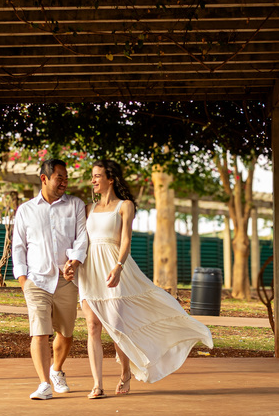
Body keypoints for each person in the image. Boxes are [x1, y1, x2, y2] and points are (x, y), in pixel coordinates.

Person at [78, 159, 213, 398]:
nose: (93, 180)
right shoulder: (88, 209)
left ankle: (125, 373)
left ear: (110, 178)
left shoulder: (125, 205)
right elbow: (81, 241)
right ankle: (97, 384)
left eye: (97, 175)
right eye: (93, 176)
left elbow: (126, 240)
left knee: (116, 326)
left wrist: (118, 267)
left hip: (114, 267)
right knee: (92, 326)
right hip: (90, 271)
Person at [12, 158, 89, 400]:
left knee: (66, 333)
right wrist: (23, 279)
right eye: (60, 177)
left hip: (66, 280)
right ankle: (44, 384)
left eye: (66, 178)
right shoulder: (26, 210)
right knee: (39, 332)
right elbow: (18, 247)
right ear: (44, 179)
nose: (65, 182)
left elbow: (81, 238)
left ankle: (56, 370)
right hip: (37, 280)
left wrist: (74, 262)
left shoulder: (75, 205)